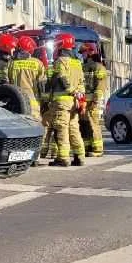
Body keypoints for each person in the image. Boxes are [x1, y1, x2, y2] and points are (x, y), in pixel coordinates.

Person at [45, 33, 86, 166]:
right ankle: (80, 156)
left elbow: (61, 78)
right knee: (74, 128)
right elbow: (81, 82)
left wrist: (70, 90)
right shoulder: (77, 63)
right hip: (75, 101)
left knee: (61, 128)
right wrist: (78, 95)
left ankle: (63, 158)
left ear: (61, 45)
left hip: (62, 101)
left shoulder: (60, 61)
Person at [7, 35, 47, 121]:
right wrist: (45, 103)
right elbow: (42, 86)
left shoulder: (11, 63)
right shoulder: (38, 63)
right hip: (32, 105)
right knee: (35, 130)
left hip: (16, 104)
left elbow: (6, 83)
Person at [82, 42, 109, 157]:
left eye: (83, 53)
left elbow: (100, 86)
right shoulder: (83, 67)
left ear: (90, 53)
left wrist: (96, 100)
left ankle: (98, 149)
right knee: (84, 124)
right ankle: (87, 146)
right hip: (83, 101)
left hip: (93, 101)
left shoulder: (99, 67)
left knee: (94, 124)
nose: (82, 55)